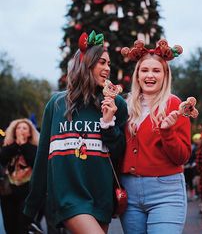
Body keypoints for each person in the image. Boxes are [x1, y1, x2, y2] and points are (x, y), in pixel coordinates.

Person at [23, 30, 128, 234]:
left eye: (108, 63)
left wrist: (108, 123)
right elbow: (44, 156)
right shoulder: (57, 104)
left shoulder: (117, 104)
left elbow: (118, 153)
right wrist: (31, 206)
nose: (107, 68)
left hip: (101, 196)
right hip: (68, 197)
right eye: (101, 62)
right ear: (85, 64)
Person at [119, 39, 192, 234]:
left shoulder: (175, 105)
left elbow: (182, 157)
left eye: (156, 71)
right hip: (130, 192)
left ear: (165, 75)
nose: (150, 75)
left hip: (165, 192)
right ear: (137, 74)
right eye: (144, 70)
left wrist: (167, 132)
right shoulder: (124, 105)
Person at [0, 118, 39, 234]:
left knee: (22, 226)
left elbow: (34, 162)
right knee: (10, 226)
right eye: (18, 127)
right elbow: (2, 160)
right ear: (14, 131)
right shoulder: (8, 146)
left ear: (30, 133)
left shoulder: (34, 148)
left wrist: (24, 145)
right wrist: (16, 144)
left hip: (27, 191)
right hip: (8, 192)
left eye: (24, 128)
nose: (21, 130)